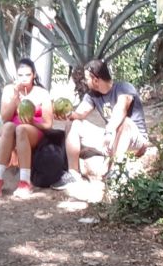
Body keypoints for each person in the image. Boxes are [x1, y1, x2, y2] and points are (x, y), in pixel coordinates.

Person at [57, 58, 149, 186]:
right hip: (111, 140)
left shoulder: (124, 87)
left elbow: (121, 109)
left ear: (95, 79)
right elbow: (80, 114)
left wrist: (109, 132)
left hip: (134, 139)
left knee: (125, 122)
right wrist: (67, 114)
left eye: (87, 78)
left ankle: (116, 172)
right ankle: (73, 173)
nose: (85, 82)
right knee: (73, 124)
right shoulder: (92, 95)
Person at [0, 57, 53, 199]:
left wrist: (32, 122)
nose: (24, 78)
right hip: (13, 130)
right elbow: (5, 118)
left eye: (28, 75)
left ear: (34, 75)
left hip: (34, 130)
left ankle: (25, 182)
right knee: (8, 126)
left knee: (21, 129)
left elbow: (48, 124)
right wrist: (15, 98)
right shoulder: (9, 90)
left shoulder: (42, 93)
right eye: (20, 75)